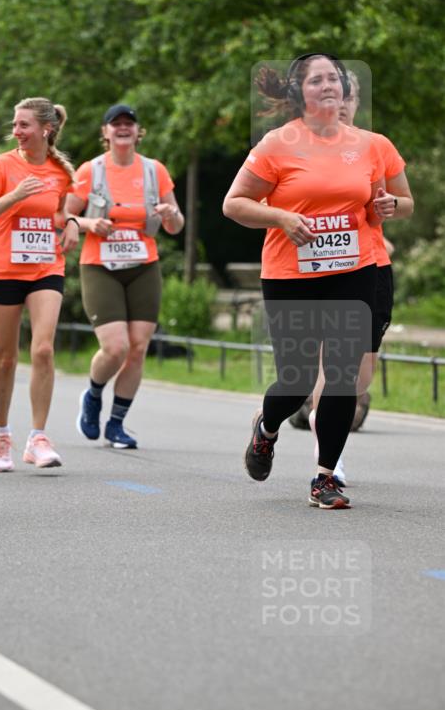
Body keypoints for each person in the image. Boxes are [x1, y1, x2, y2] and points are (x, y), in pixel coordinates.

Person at [223, 53, 397, 509]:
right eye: (317, 79)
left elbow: (388, 201)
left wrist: (385, 208)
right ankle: (266, 428)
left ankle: (325, 478)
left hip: (353, 270)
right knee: (297, 379)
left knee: (341, 376)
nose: (328, 85)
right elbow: (234, 204)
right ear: (300, 92)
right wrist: (280, 216)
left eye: (334, 78)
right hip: (291, 273)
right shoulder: (277, 144)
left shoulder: (368, 144)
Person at [303, 70, 413, 483]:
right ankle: (329, 463)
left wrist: (389, 205)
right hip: (322, 271)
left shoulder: (374, 146)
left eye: (349, 95)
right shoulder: (300, 147)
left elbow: (405, 203)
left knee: (359, 376)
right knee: (334, 368)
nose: (342, 102)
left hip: (372, 268)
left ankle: (309, 421)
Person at [0, 97, 78, 471]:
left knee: (44, 349)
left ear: (45, 130)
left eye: (24, 125)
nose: (16, 131)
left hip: (46, 268)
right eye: (15, 125)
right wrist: (14, 196)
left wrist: (74, 224)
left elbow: (63, 212)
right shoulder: (2, 165)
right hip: (3, 270)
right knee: (6, 358)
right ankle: (1, 435)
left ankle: (38, 438)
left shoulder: (59, 172)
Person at [66, 104, 183, 448]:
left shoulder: (154, 171)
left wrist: (170, 213)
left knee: (138, 348)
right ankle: (93, 395)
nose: (122, 128)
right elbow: (65, 215)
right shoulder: (91, 171)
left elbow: (176, 225)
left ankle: (116, 424)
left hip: (144, 265)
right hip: (100, 266)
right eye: (115, 124)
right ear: (105, 133)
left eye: (128, 124)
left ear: (138, 131)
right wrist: (89, 223)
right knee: (115, 347)